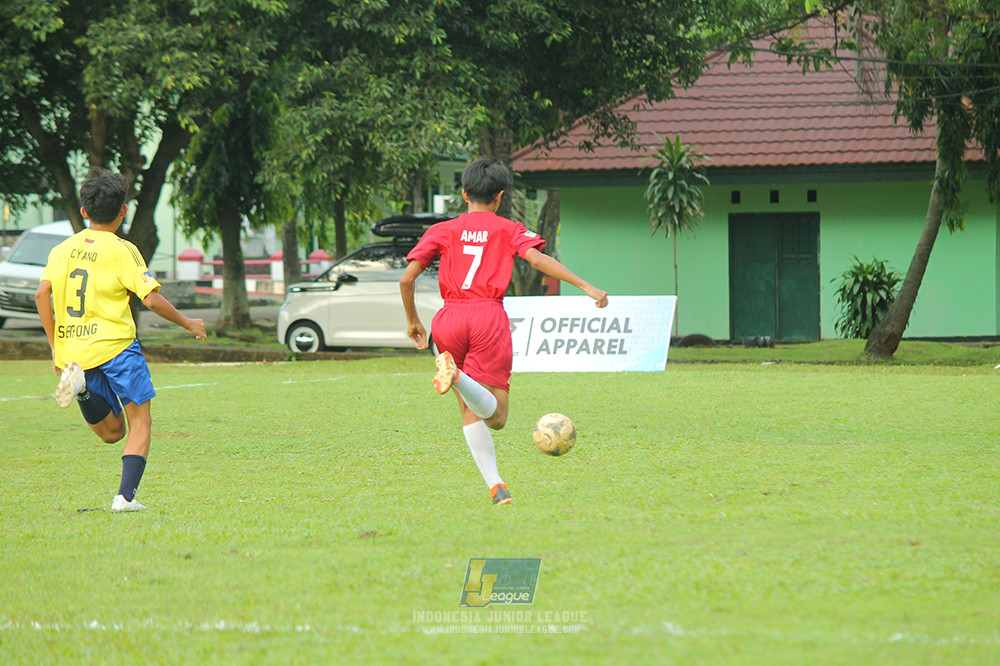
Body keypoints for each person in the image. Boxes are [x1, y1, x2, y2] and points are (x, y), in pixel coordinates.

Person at [400, 157, 608, 505]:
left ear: (464, 194)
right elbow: (539, 260)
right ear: (498, 197)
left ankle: (496, 487)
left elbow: (407, 278)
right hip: (486, 317)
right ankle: (459, 376)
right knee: (496, 416)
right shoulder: (509, 228)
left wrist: (412, 322)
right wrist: (585, 286)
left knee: (469, 409)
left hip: (448, 320)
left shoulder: (441, 230)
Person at [35, 167, 207, 512]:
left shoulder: (62, 249)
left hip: (76, 352)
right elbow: (152, 299)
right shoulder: (122, 249)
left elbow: (42, 294)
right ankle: (125, 498)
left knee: (111, 433)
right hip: (116, 348)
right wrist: (189, 323)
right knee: (140, 421)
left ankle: (81, 389)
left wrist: (56, 345)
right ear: (123, 210)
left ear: (84, 211)